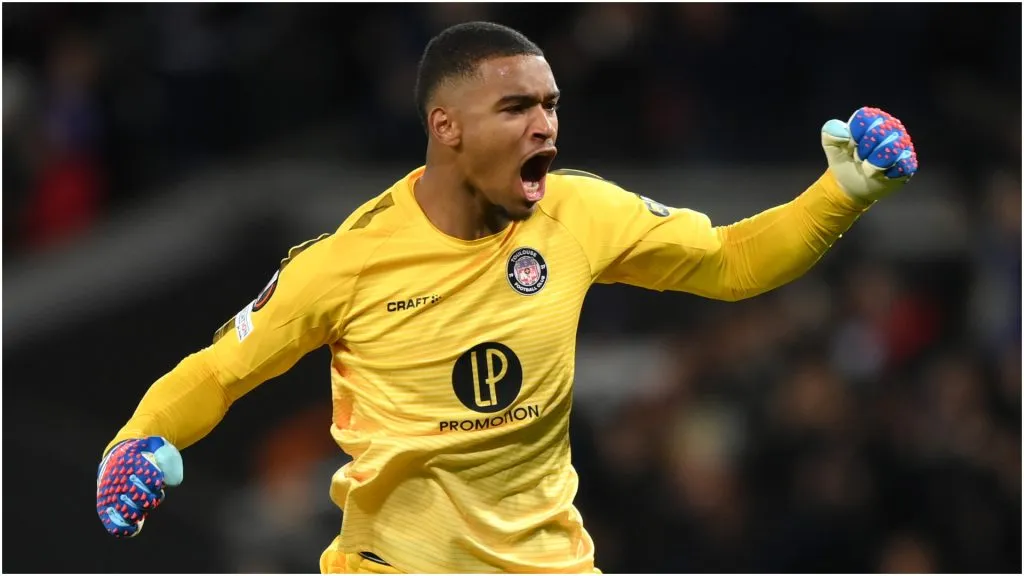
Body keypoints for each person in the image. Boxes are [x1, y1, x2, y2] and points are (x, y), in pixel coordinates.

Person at [95, 21, 918, 574]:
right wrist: (134, 441)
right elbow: (218, 372)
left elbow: (732, 262)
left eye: (551, 105)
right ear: (446, 127)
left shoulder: (580, 212)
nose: (545, 128)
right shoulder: (347, 261)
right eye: (517, 106)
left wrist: (841, 192)